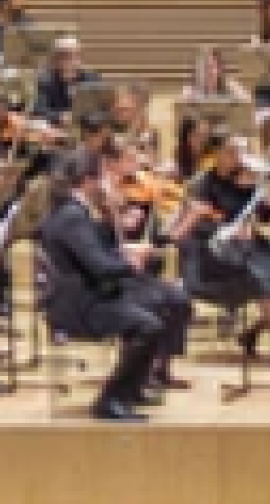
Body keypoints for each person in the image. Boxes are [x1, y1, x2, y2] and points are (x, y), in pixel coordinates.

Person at [39, 149, 182, 421]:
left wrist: (124, 252)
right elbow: (100, 267)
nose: (107, 183)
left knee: (167, 301)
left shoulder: (73, 210)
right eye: (103, 177)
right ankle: (110, 400)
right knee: (148, 326)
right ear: (87, 181)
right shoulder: (72, 215)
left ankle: (133, 387)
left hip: (88, 293)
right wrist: (131, 263)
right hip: (80, 304)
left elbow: (92, 256)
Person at [172, 132, 270, 371]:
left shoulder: (249, 178)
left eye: (242, 151)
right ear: (217, 154)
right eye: (232, 151)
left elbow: (265, 215)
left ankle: (250, 334)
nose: (239, 157)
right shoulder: (203, 184)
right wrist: (226, 229)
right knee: (261, 284)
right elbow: (196, 225)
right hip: (214, 251)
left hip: (251, 246)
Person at [34, 36, 98, 125]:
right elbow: (39, 110)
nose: (72, 61)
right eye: (65, 57)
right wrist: (59, 117)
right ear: (55, 60)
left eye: (76, 56)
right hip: (56, 126)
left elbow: (100, 108)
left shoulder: (90, 78)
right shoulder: (46, 80)